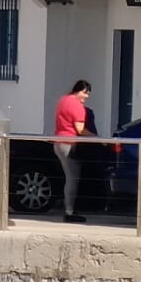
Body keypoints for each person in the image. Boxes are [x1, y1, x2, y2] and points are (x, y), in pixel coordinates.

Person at [54, 79, 92, 224]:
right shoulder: (77, 106)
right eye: (85, 92)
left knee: (68, 176)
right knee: (73, 178)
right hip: (69, 143)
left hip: (58, 141)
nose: (87, 96)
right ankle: (69, 211)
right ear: (79, 91)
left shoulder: (63, 100)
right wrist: (97, 138)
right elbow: (80, 129)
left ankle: (69, 209)